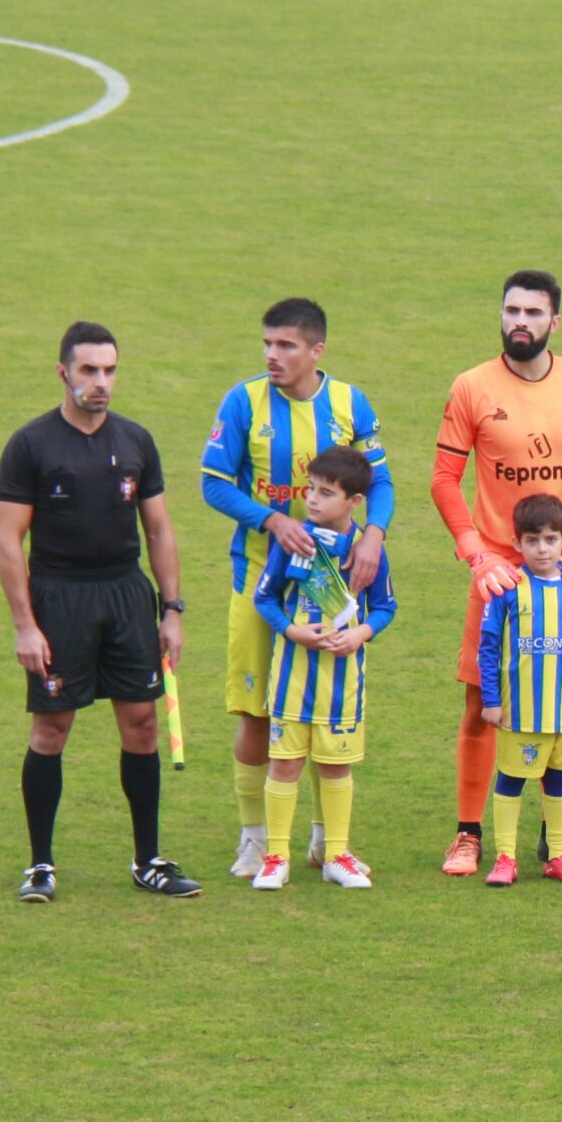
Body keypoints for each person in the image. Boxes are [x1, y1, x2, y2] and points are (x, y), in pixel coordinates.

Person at [0, 321, 199, 901]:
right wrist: (25, 625)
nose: (101, 382)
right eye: (89, 370)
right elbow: (9, 542)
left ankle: (148, 861)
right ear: (64, 372)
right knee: (52, 728)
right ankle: (40, 865)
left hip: (127, 598)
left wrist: (172, 609)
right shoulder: (30, 445)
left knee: (141, 726)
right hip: (59, 598)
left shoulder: (136, 441)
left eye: (109, 370)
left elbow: (158, 529)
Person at [432, 269, 562, 876]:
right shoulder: (471, 387)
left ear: (554, 322)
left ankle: (557, 837)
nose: (520, 321)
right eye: (511, 310)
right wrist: (477, 553)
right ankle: (468, 834)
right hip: (499, 572)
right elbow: (444, 480)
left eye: (533, 313)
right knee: (481, 699)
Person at [200, 297, 394, 880]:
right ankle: (256, 840)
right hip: (260, 581)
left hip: (334, 588)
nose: (272, 355)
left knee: (326, 709)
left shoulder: (349, 402)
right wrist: (273, 520)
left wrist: (373, 537)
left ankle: (322, 841)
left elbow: (379, 481)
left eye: (285, 345)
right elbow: (212, 483)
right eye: (268, 344)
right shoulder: (244, 401)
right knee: (260, 712)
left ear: (316, 351)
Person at [246, 447, 397, 889]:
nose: (311, 499)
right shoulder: (293, 541)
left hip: (342, 684)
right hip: (292, 680)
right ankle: (275, 858)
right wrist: (292, 632)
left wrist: (360, 634)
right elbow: (265, 599)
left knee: (335, 768)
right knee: (285, 765)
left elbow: (386, 607)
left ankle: (335, 855)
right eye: (311, 489)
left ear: (354, 501)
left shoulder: (366, 550)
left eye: (325, 493)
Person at [476, 494, 562, 886]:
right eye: (532, 541)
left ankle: (556, 856)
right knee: (511, 778)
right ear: (517, 544)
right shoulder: (508, 589)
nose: (542, 548)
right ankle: (505, 857)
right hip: (521, 712)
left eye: (550, 539)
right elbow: (488, 647)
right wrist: (491, 700)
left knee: (558, 779)